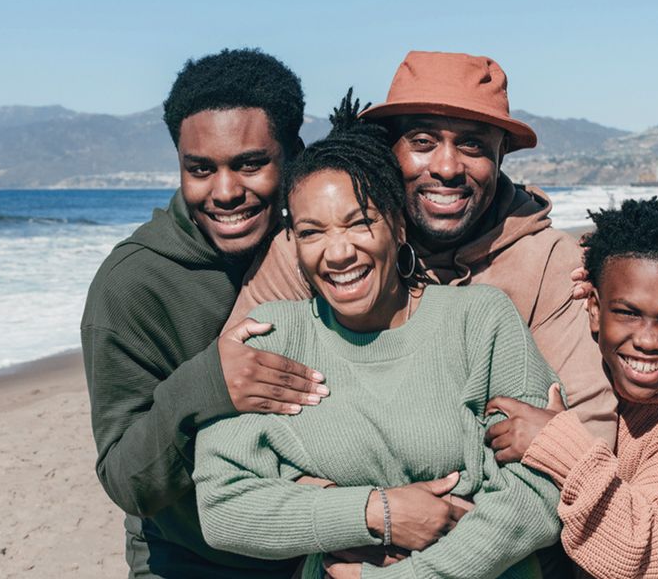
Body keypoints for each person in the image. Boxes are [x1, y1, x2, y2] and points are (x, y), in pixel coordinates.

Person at [193, 95, 561, 579]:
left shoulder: (480, 322)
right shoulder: (273, 336)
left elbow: (536, 494)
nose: (338, 252)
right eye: (311, 232)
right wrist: (375, 512)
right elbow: (223, 508)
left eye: (360, 222)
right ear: (294, 244)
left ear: (398, 224)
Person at [229, 50, 618, 451]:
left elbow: (587, 434)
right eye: (423, 142)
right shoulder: (316, 247)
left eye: (472, 145)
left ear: (500, 156)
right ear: (388, 148)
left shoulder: (549, 264)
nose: (447, 167)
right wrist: (360, 506)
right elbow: (238, 396)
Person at [81, 49, 331, 577]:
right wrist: (209, 386)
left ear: (292, 155)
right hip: (193, 559)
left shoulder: (330, 250)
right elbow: (126, 480)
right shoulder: (132, 285)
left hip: (326, 547)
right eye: (201, 169)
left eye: (250, 164)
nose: (225, 192)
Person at [485, 197, 658, 578]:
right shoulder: (593, 353)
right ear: (593, 308)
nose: (647, 340)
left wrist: (559, 445)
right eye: (628, 312)